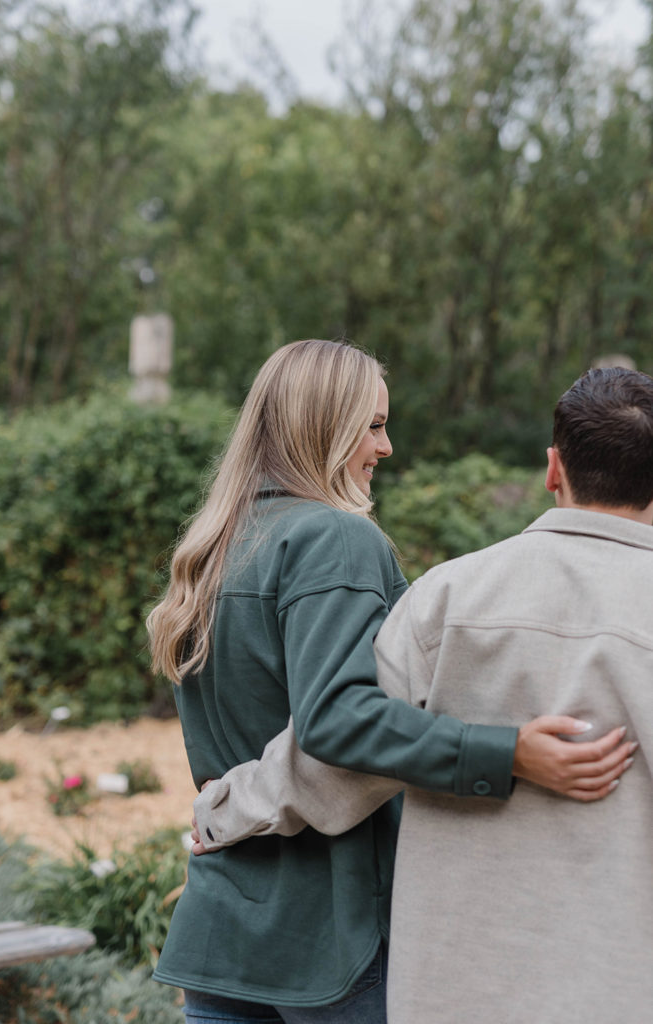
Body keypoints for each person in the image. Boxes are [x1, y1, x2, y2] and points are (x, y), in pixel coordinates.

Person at [148, 341, 632, 1024]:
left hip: (222, 933)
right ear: (325, 427)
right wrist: (507, 753)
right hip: (330, 941)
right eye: (373, 426)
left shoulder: (216, 547)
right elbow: (338, 720)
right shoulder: (334, 538)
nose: (387, 447)